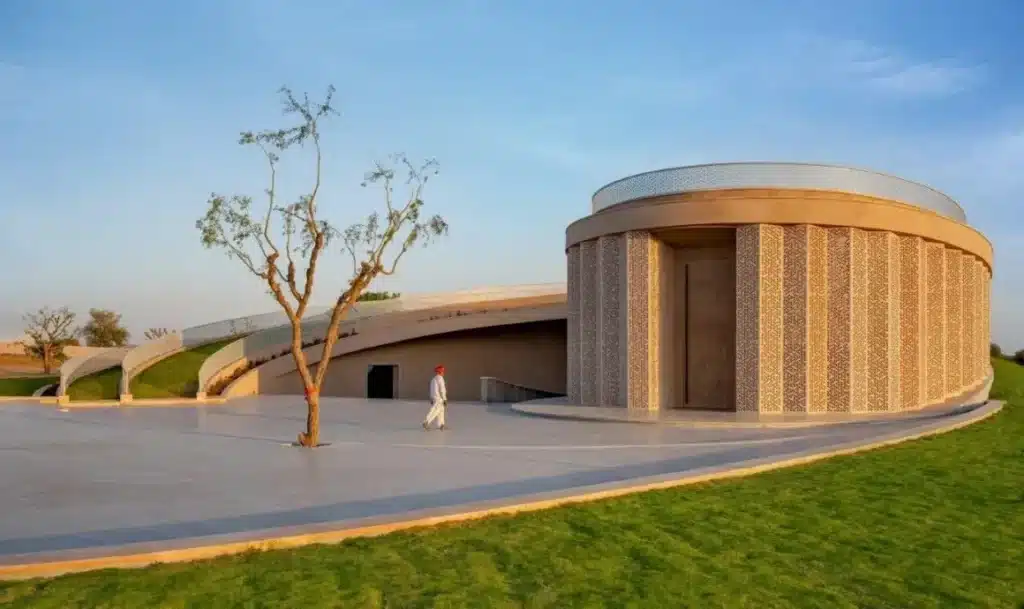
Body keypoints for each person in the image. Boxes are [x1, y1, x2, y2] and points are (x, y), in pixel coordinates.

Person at [423, 364, 448, 430]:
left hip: (434, 397)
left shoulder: (433, 379)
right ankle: (426, 421)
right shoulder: (440, 379)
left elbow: (431, 389)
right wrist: (445, 399)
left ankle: (441, 425)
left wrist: (431, 398)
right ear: (440, 372)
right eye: (443, 371)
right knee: (435, 411)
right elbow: (442, 389)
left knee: (441, 411)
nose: (443, 372)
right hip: (439, 398)